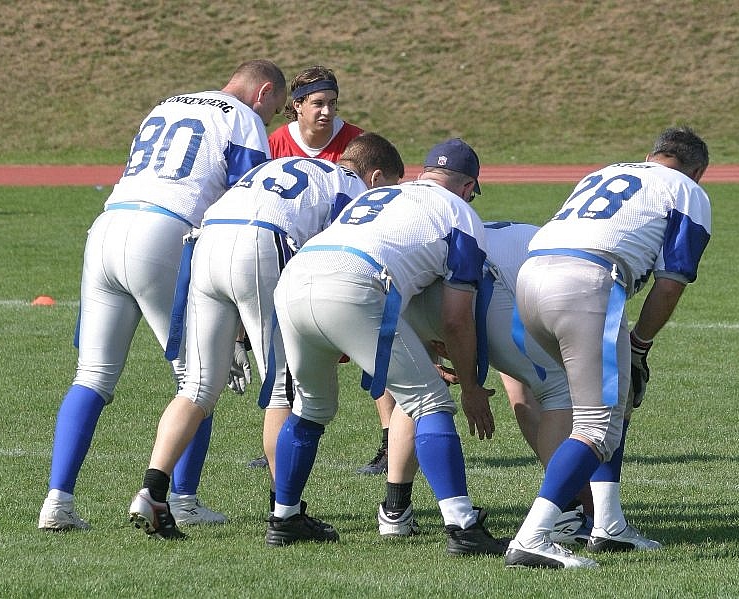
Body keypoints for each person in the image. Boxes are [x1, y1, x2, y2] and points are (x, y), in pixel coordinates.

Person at [37, 60, 287, 532]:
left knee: (91, 375)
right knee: (198, 379)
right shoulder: (242, 118)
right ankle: (183, 498)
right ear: (264, 92)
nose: (269, 117)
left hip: (107, 225)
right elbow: (246, 199)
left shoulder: (166, 105)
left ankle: (57, 500)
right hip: (164, 231)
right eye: (273, 108)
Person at [127, 133, 405, 539]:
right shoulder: (352, 187)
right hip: (261, 242)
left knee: (197, 386)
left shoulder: (278, 167)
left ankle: (152, 491)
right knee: (281, 391)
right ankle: (285, 511)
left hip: (209, 240)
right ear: (376, 177)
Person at [268, 138, 507, 556]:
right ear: (468, 186)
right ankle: (462, 526)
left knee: (309, 408)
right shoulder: (460, 213)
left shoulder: (378, 194)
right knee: (430, 404)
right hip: (354, 282)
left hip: (294, 278)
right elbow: (456, 317)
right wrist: (471, 386)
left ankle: (284, 518)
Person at [505, 126, 711, 569]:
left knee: (611, 402)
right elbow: (671, 282)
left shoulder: (605, 171)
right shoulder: (686, 188)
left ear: (651, 155)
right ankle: (533, 537)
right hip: (585, 285)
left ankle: (609, 524)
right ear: (698, 171)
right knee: (598, 424)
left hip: (530, 279)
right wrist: (640, 345)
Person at [376, 221, 598, 543]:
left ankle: (395, 511)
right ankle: (568, 512)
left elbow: (519, 392)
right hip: (474, 295)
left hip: (402, 294)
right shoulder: (576, 261)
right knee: (558, 390)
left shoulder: (488, 232)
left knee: (418, 394)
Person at [248, 65, 389, 476]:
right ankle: (280, 443)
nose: (327, 111)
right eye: (318, 103)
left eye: (332, 103)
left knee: (375, 349)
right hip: (286, 262)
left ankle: (389, 440)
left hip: (344, 261)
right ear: (296, 106)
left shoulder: (357, 144)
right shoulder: (274, 143)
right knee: (283, 355)